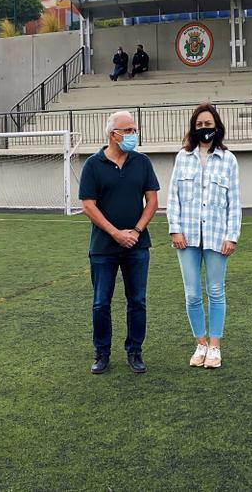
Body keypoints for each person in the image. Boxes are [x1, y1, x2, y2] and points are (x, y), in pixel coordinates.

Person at [79, 110, 160, 374]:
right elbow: (88, 206)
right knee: (101, 302)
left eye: (134, 130)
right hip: (103, 248)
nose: (133, 135)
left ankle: (135, 351)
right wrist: (115, 233)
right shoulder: (92, 165)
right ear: (114, 134)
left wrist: (136, 231)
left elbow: (153, 202)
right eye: (129, 130)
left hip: (138, 246)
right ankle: (102, 352)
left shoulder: (142, 162)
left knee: (137, 300)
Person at [167, 102, 241, 370]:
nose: (204, 129)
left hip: (216, 236)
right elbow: (173, 198)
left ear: (217, 127)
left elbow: (235, 201)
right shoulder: (182, 158)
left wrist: (232, 236)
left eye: (208, 125)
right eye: (199, 125)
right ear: (193, 128)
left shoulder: (228, 160)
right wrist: (174, 229)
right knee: (192, 294)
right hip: (186, 237)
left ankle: (215, 346)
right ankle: (200, 343)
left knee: (216, 291)